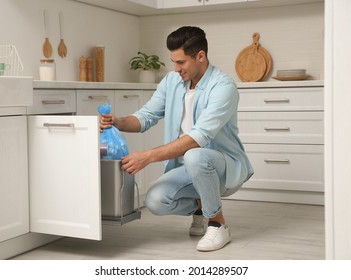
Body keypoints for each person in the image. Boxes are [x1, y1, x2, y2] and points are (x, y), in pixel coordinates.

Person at [100, 26, 253, 252]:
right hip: (188, 166)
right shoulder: (172, 81)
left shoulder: (223, 86)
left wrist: (148, 157)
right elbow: (146, 116)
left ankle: (217, 224)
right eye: (173, 62)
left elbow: (198, 138)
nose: (176, 68)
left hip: (223, 166)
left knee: (194, 155)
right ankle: (201, 208)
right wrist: (118, 121)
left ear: (200, 56)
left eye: (181, 62)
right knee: (155, 201)